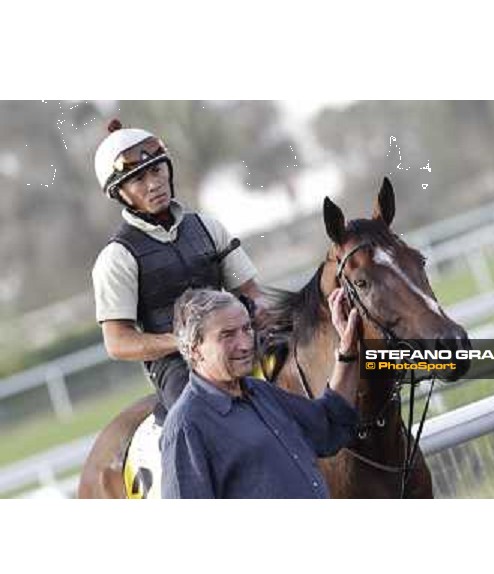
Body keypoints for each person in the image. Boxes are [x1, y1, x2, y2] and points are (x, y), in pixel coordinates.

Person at [92, 119, 264, 423]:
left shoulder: (209, 227)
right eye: (138, 179)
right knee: (202, 421)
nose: (154, 183)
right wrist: (184, 342)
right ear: (120, 193)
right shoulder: (116, 258)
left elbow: (251, 293)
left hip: (239, 341)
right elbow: (117, 342)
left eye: (157, 170)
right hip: (177, 367)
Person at [161, 287, 361, 499]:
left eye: (247, 329)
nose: (246, 344)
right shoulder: (186, 425)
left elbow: (329, 425)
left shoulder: (261, 391)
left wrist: (347, 350)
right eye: (228, 335)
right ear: (195, 349)